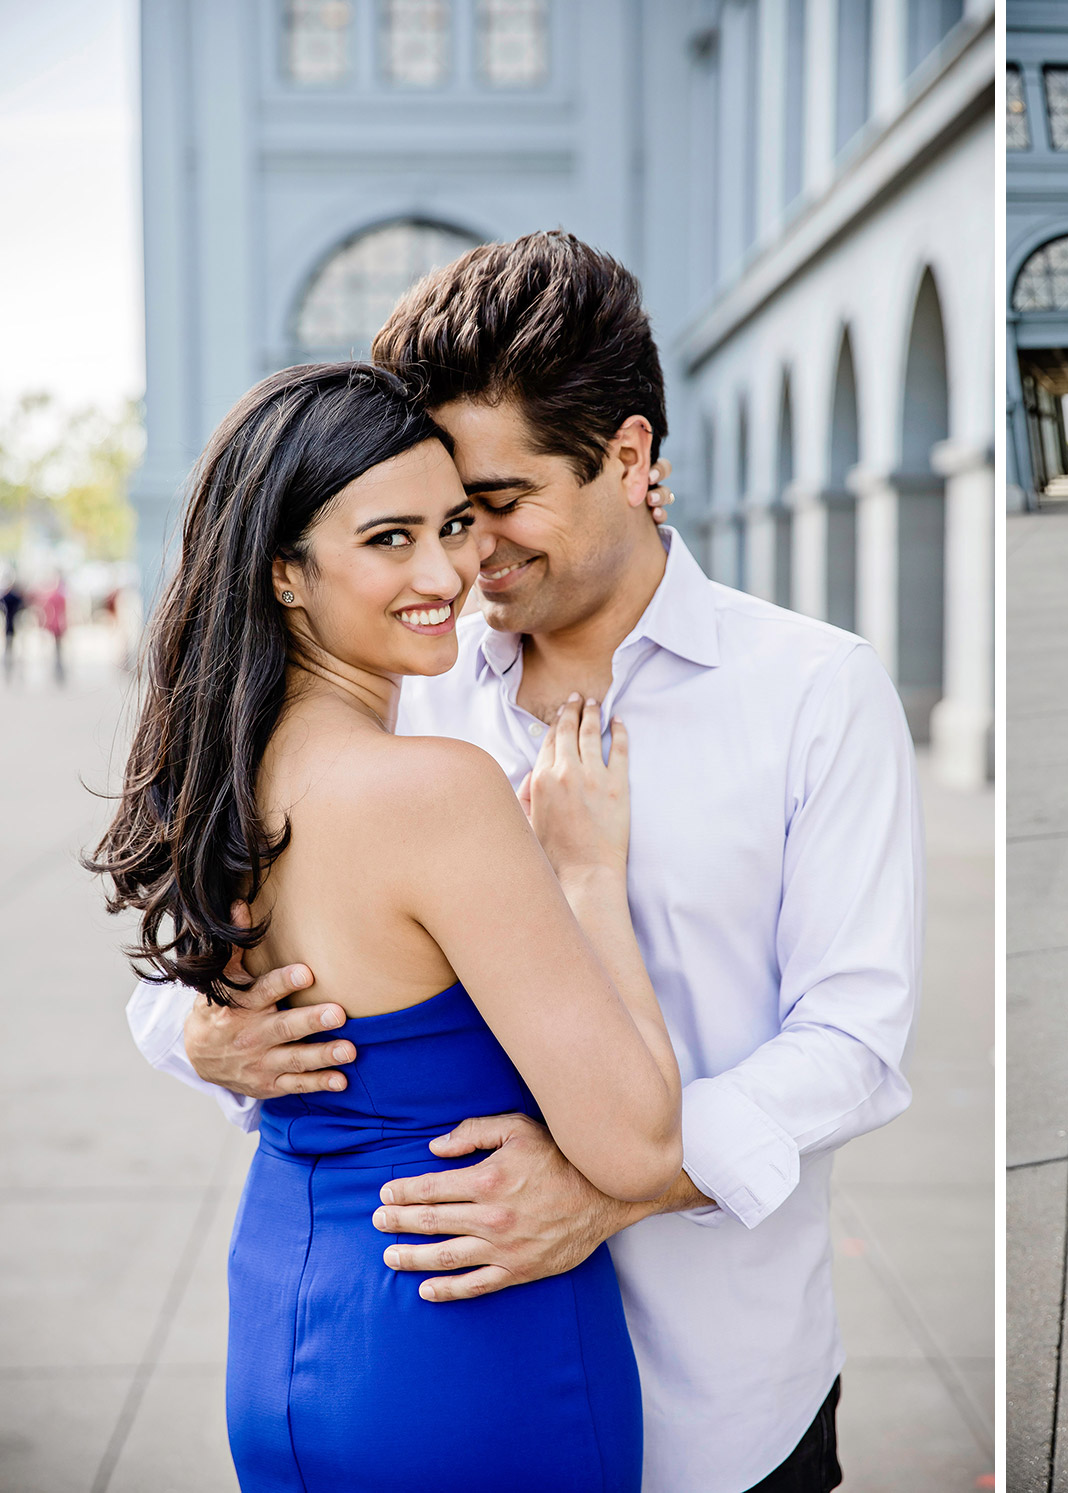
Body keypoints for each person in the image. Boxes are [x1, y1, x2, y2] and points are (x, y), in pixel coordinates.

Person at [126, 230, 922, 1493]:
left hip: (723, 1390)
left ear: (628, 456)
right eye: (429, 519)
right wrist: (205, 1035)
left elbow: (856, 1035)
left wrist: (619, 1186)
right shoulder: (409, 676)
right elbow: (193, 971)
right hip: (454, 1351)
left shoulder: (811, 688)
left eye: (489, 508)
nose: (462, 559)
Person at [92, 362, 685, 1492]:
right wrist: (588, 872)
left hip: (287, 1311)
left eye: (455, 524)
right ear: (285, 573)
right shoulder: (431, 791)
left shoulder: (216, 780)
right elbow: (638, 1143)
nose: (445, 572)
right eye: (388, 538)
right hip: (467, 1336)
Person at [39, 572, 67, 685]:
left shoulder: (52, 596)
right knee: (59, 649)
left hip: (54, 625)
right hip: (59, 625)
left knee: (57, 649)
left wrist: (45, 624)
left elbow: (46, 612)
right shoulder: (60, 596)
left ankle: (58, 670)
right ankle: (59, 670)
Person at [1, 570, 23, 680]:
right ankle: (11, 667)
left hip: (11, 624)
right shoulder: (15, 597)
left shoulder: (7, 597)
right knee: (11, 647)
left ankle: (10, 667)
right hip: (14, 624)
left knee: (9, 647)